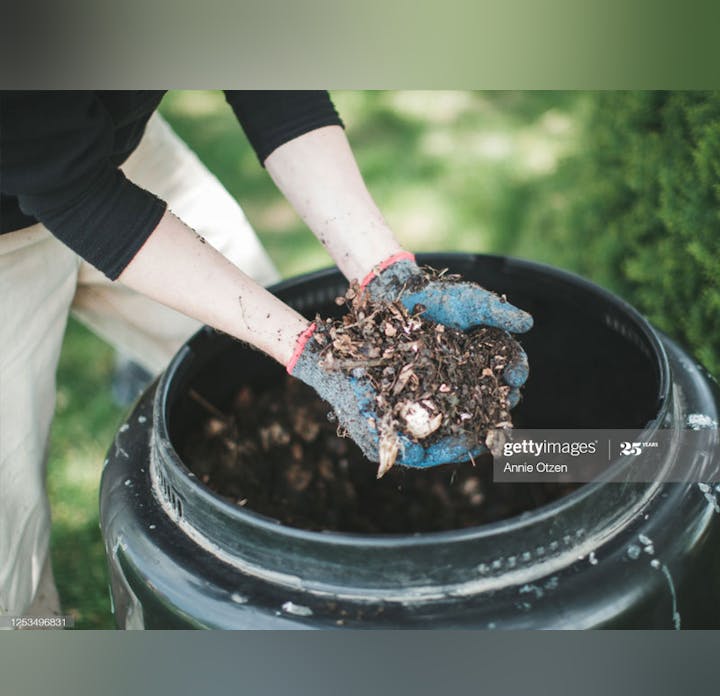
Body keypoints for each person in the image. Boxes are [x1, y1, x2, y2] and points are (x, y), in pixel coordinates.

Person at [0, 90, 532, 621]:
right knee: (10, 541)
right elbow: (71, 190)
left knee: (276, 395)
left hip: (112, 154)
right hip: (30, 200)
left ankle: (589, 461)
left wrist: (385, 273)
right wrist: (313, 353)